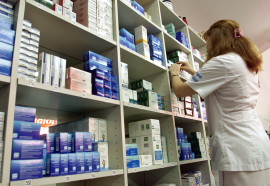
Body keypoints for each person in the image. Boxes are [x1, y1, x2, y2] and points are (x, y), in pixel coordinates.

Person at [169, 19, 270, 186]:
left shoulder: (222, 62)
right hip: (253, 143)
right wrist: (192, 71)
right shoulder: (242, 62)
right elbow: (220, 83)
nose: (206, 44)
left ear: (216, 39)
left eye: (207, 40)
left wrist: (174, 73)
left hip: (238, 149)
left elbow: (180, 90)